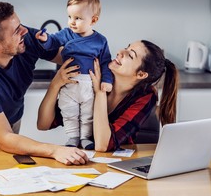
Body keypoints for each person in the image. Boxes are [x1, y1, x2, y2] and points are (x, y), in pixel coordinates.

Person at [0, 1, 88, 165]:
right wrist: (56, 150)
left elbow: (71, 58)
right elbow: (4, 137)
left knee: (15, 163)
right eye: (16, 31)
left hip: (12, 111)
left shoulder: (25, 39)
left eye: (20, 25)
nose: (25, 31)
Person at [37, 40, 179, 152]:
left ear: (141, 74)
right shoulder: (92, 72)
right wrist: (55, 85)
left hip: (119, 163)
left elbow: (102, 145)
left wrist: (100, 92)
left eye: (130, 55)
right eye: (126, 47)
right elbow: (44, 124)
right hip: (83, 158)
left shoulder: (146, 96)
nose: (120, 52)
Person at [36, 0, 113, 150]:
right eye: (70, 17)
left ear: (93, 20)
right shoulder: (67, 34)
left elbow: (105, 63)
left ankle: (85, 137)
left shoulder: (100, 41)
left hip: (88, 85)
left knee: (87, 113)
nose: (72, 22)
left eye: (78, 18)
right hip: (69, 83)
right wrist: (45, 39)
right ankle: (73, 136)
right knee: (68, 111)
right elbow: (53, 41)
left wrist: (106, 80)